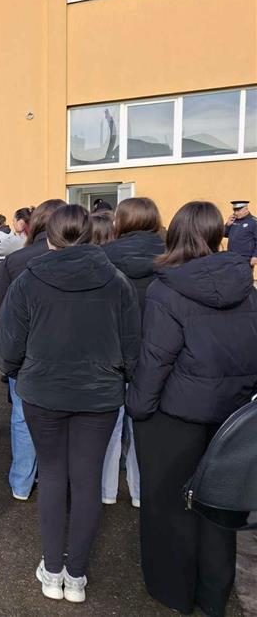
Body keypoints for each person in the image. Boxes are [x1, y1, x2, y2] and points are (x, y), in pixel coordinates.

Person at [0, 204, 140, 604]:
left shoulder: (29, 280)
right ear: (89, 235)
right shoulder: (117, 281)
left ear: (51, 237)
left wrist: (20, 373)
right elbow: (133, 348)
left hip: (45, 394)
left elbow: (5, 347)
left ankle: (54, 568)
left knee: (55, 477)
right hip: (99, 396)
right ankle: (74, 575)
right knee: (86, 480)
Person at [127, 201, 257, 617]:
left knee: (169, 506)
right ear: (218, 233)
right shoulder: (247, 288)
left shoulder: (166, 290)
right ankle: (212, 595)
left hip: (176, 416)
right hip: (231, 416)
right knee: (218, 510)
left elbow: (155, 359)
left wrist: (138, 408)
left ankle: (174, 591)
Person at [0, 198, 65, 502]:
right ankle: (53, 479)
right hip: (70, 355)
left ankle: (21, 481)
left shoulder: (17, 261)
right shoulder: (86, 260)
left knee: (22, 417)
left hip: (26, 354)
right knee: (63, 419)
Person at [99, 197, 165, 508]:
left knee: (110, 427)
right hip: (157, 354)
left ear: (120, 221)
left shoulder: (102, 257)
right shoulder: (171, 257)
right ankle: (141, 492)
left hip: (110, 352)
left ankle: (106, 490)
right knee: (146, 428)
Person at [224, 200, 257, 269]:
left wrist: (255, 256)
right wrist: (227, 225)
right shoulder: (233, 220)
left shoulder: (254, 222)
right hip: (231, 257)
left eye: (238, 210)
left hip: (245, 258)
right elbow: (224, 234)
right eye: (234, 210)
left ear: (246, 209)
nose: (236, 213)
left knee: (244, 279)